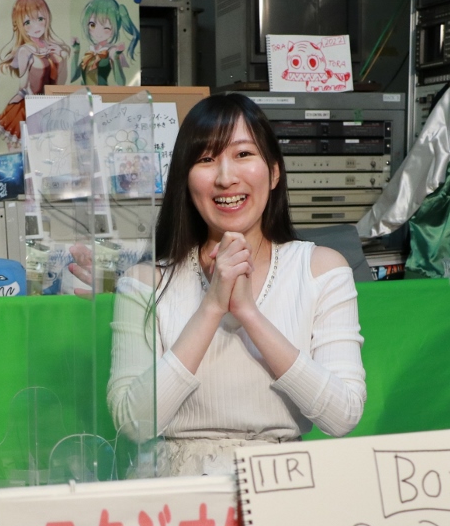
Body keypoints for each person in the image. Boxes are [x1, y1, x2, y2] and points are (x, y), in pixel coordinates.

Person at [106, 94, 366, 477]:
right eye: (205, 159)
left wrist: (249, 314)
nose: (225, 177)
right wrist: (212, 307)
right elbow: (134, 423)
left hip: (283, 485)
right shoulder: (144, 282)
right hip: (178, 491)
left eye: (243, 154)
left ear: (274, 173)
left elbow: (342, 415)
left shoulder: (321, 269)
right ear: (184, 180)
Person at [0, 0, 69, 141]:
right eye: (27, 22)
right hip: (32, 105)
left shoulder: (53, 46)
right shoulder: (25, 51)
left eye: (40, 19)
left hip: (53, 105)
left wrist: (62, 56)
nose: (35, 26)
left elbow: (61, 82)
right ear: (20, 25)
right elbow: (23, 84)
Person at [70, 0, 138, 87]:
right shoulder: (90, 51)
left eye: (106, 28)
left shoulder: (112, 51)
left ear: (114, 29)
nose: (98, 32)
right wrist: (76, 51)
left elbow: (121, 83)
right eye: (92, 25)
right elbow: (73, 77)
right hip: (84, 93)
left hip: (102, 93)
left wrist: (116, 57)